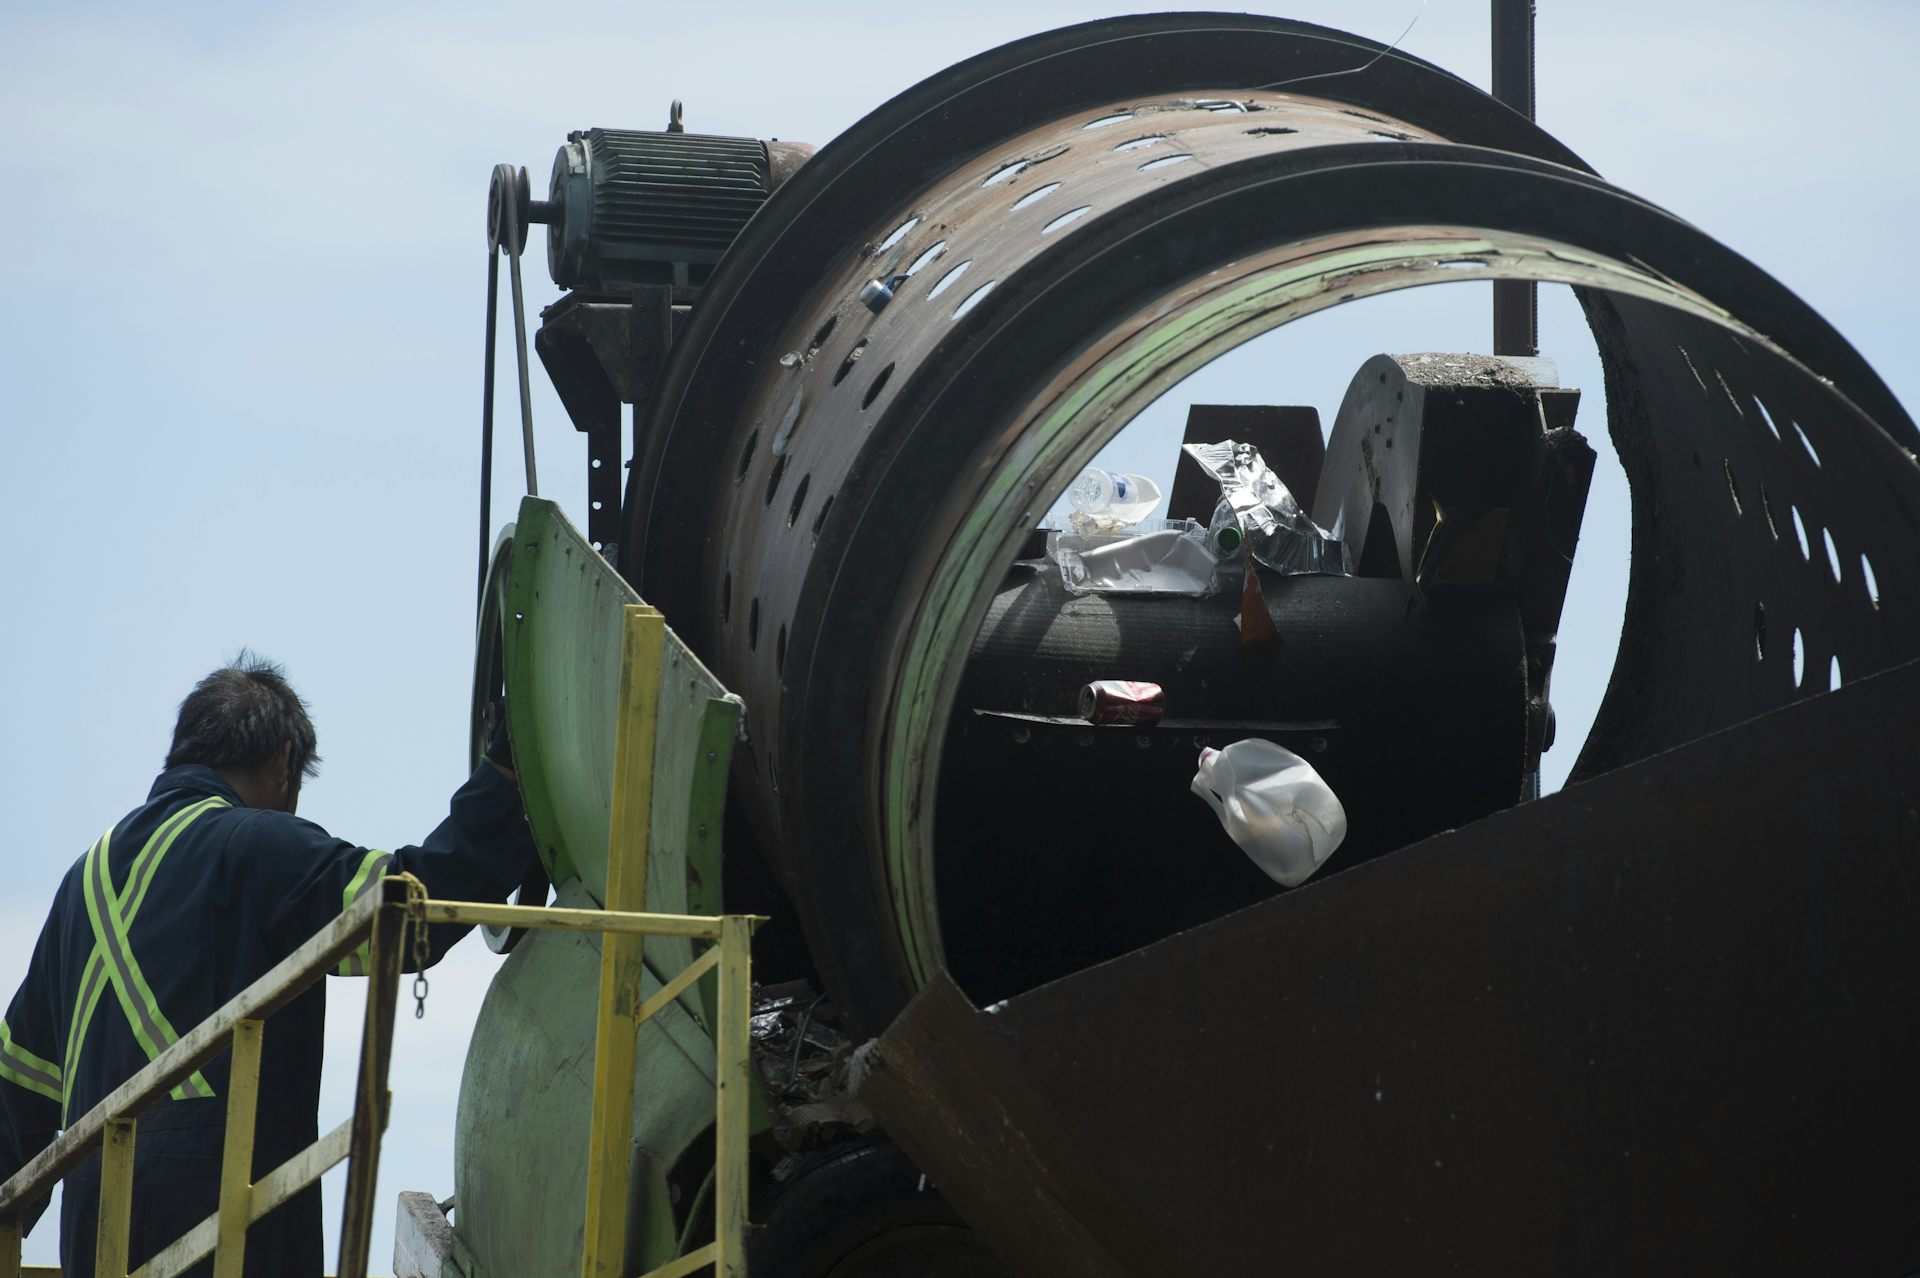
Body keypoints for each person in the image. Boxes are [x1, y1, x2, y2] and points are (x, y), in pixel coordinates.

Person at [0, 654, 538, 1277]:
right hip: (226, 1235)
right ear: (284, 763)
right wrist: (503, 780)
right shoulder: (254, 843)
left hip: (96, 1245)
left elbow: (19, 1092)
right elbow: (405, 905)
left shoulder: (81, 886)